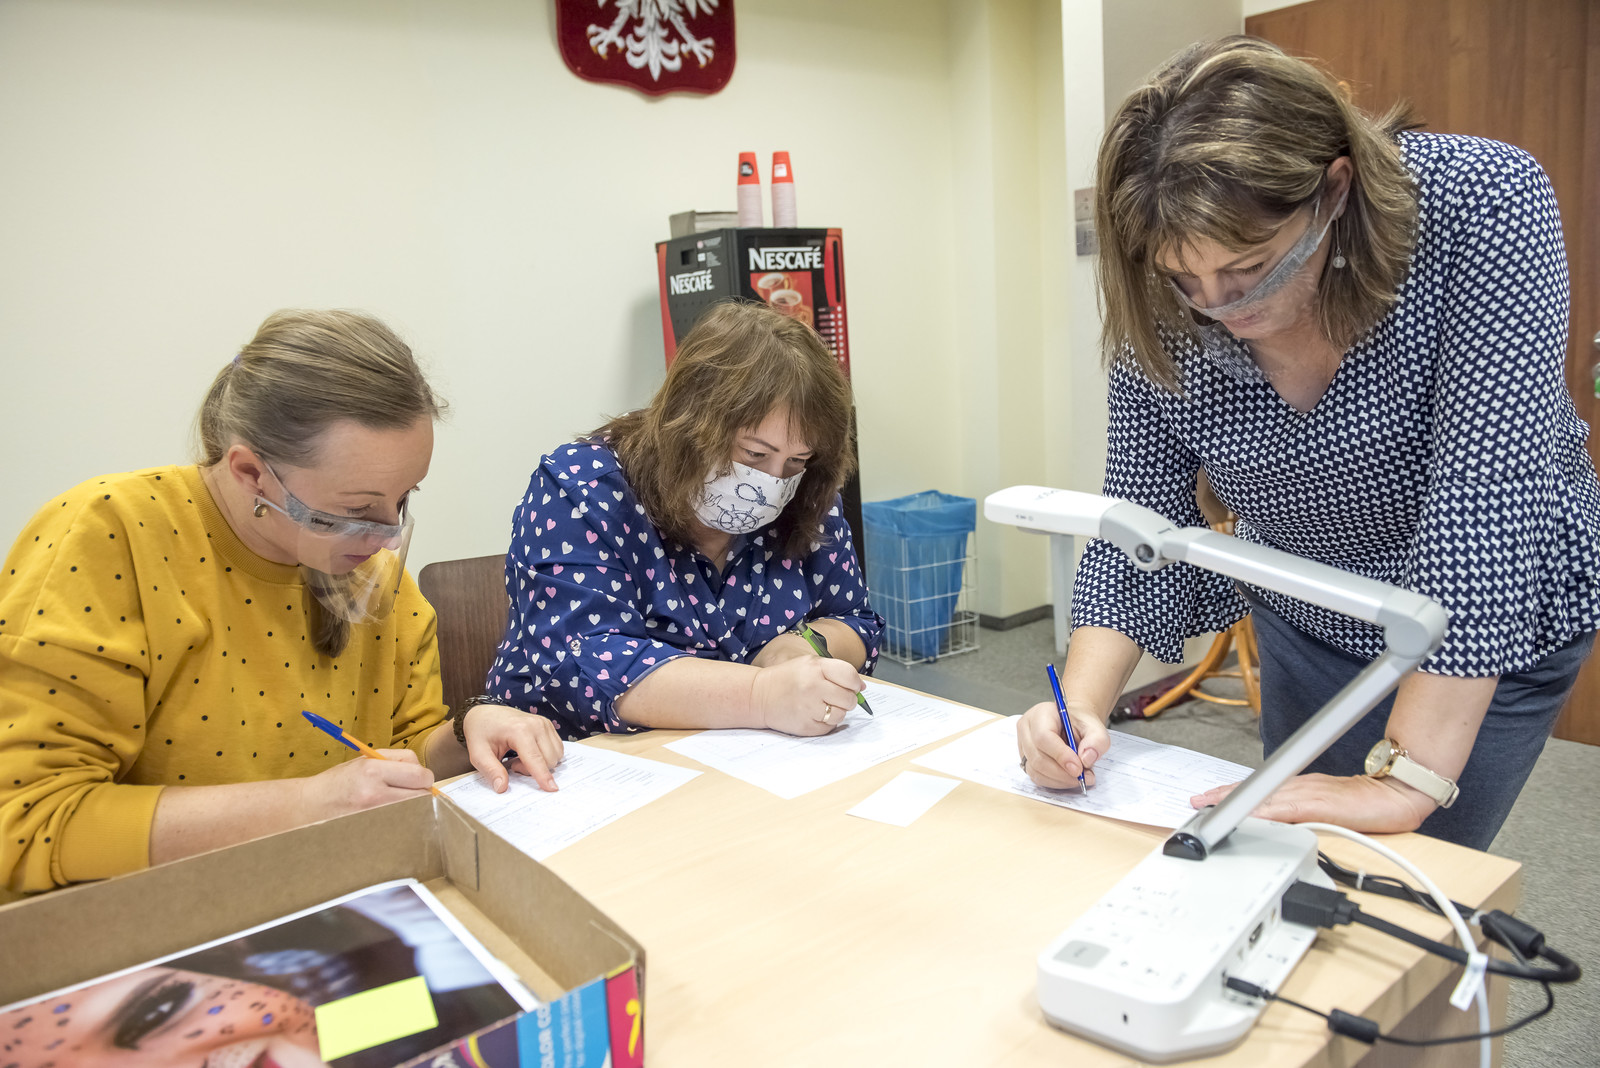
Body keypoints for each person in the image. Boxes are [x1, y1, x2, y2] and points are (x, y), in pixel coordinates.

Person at [1016, 37, 1599, 850]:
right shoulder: (1165, 287)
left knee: (1414, 874)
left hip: (1485, 625)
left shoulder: (1481, 200)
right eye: (1186, 280)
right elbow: (1139, 513)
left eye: (1250, 267)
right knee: (1295, 853)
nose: (1218, 306)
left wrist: (1408, 778)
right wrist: (1080, 703)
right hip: (1310, 609)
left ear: (1334, 190)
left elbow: (1485, 502)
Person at [0, 310, 561, 896]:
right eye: (356, 510)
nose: (389, 538)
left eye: (403, 498)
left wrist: (469, 731)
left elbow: (401, 752)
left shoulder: (377, 583)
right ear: (251, 473)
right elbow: (27, 823)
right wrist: (308, 803)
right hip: (147, 914)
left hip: (326, 894)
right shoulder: (109, 536)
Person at [474, 301, 884, 766]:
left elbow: (856, 620)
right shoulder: (582, 488)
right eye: (754, 454)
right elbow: (589, 661)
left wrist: (800, 645)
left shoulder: (805, 492)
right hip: (578, 765)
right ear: (690, 426)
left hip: (748, 764)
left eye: (795, 460)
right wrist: (761, 693)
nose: (771, 484)